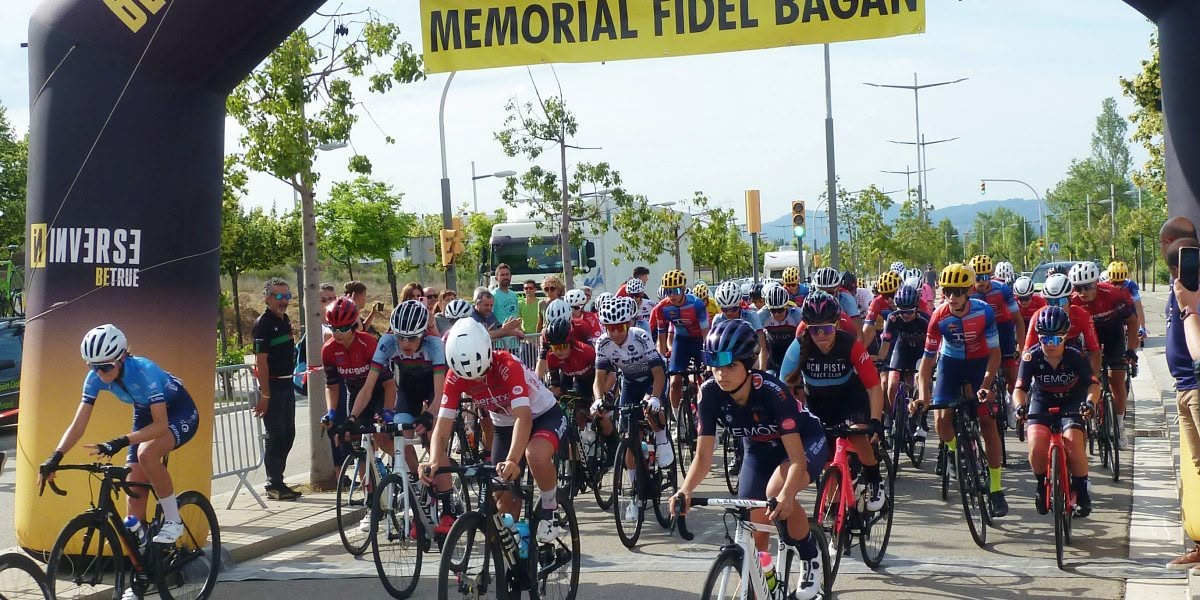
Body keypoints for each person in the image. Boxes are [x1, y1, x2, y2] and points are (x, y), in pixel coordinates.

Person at [673, 319, 827, 600]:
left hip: (803, 443)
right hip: (758, 450)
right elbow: (704, 456)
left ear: (749, 364)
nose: (721, 374)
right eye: (715, 365)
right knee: (753, 533)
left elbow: (795, 460)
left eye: (730, 366)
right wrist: (686, 490)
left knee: (775, 494)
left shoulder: (772, 391)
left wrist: (788, 496)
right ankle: (762, 585)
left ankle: (810, 555)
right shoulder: (708, 393)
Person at [39, 325, 200, 544]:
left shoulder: (145, 370)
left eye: (105, 367)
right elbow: (78, 426)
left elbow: (161, 425)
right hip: (144, 413)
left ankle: (174, 521)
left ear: (122, 357)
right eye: (93, 366)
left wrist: (120, 441)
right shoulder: (94, 379)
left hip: (179, 411)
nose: (99, 373)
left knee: (147, 454)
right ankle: (146, 555)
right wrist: (55, 457)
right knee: (132, 512)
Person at [422, 319, 568, 543]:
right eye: (470, 379)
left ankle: (550, 506)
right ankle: (518, 552)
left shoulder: (507, 364)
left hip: (542, 415)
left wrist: (512, 459)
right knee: (503, 501)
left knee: (535, 455)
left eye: (482, 374)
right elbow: (442, 428)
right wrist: (433, 461)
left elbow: (524, 418)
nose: (478, 381)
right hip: (504, 424)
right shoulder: (454, 376)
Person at [915, 263, 1008, 517]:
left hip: (980, 364)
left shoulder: (984, 312)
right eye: (947, 291)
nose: (952, 297)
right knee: (941, 421)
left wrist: (986, 386)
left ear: (968, 291)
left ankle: (996, 489)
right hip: (951, 364)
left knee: (987, 421)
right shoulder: (939, 317)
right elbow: (926, 364)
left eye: (958, 292)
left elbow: (996, 355)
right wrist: (923, 397)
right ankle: (957, 452)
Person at [780, 292, 886, 512]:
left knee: (857, 436)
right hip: (819, 405)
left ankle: (875, 479)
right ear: (806, 327)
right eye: (814, 329)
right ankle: (835, 520)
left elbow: (874, 386)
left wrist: (875, 420)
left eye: (827, 328)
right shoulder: (799, 346)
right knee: (826, 462)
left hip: (850, 400)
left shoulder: (850, 345)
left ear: (837, 325)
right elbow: (784, 389)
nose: (821, 335)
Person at [319, 298, 399, 531]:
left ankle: (409, 475)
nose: (338, 333)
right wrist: (332, 413)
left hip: (379, 391)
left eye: (343, 328)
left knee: (383, 438)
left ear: (354, 325)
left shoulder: (369, 344)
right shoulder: (329, 350)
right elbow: (332, 386)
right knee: (362, 448)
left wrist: (385, 412)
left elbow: (389, 385)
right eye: (333, 328)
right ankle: (372, 505)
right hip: (356, 393)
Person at [1013, 306, 1098, 518]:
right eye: (1044, 339)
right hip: (1042, 402)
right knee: (1036, 446)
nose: (1049, 345)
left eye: (1055, 340)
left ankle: (1081, 490)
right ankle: (1042, 485)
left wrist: (1090, 403)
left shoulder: (1076, 356)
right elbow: (1019, 389)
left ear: (1065, 337)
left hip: (1072, 402)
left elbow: (1093, 385)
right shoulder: (1031, 357)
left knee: (1073, 443)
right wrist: (1019, 407)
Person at [593, 296, 673, 519]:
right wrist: (598, 399)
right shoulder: (603, 343)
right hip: (629, 383)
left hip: (651, 379)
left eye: (619, 327)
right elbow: (599, 379)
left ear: (628, 324)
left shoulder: (641, 337)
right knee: (628, 436)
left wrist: (655, 398)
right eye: (610, 328)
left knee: (651, 410)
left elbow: (658, 374)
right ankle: (635, 494)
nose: (616, 333)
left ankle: (662, 437)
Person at [1162, 217, 1200, 569]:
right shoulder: (1180, 286)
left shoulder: (1193, 288)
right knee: (1198, 466)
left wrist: (1189, 305)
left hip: (1197, 385)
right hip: (1183, 388)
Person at [1068, 261, 1138, 448]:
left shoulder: (1114, 294)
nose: (1083, 292)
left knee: (1117, 381)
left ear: (1096, 282)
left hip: (1113, 334)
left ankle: (1119, 425)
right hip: (1089, 338)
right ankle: (1092, 412)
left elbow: (1132, 322)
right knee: (1089, 379)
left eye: (1088, 287)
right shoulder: (1071, 300)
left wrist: (1131, 350)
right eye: (1078, 288)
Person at [253, 278, 302, 501]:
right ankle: (273, 483)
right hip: (272, 385)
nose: (284, 301)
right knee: (276, 435)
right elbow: (261, 362)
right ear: (267, 298)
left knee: (289, 434)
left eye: (287, 296)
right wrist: (265, 395)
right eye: (279, 297)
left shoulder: (285, 320)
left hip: (287, 383)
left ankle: (279, 480)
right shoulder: (263, 324)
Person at [968, 255, 1026, 401]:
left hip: (1003, 327)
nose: (981, 281)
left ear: (990, 274)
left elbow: (1018, 320)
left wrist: (1021, 346)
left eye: (984, 276)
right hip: (981, 330)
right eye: (977, 277)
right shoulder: (969, 292)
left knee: (1012, 377)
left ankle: (1013, 403)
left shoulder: (1002, 289)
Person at [652, 270, 710, 416]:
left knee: (704, 380)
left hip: (699, 341)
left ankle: (707, 415)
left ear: (683, 289)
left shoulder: (696, 304)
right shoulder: (661, 308)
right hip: (681, 341)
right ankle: (678, 422)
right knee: (674, 382)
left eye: (675, 290)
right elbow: (662, 336)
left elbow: (706, 334)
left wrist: (708, 360)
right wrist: (662, 356)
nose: (671, 295)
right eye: (667, 291)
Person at [877, 285, 930, 436]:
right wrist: (881, 360)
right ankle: (892, 417)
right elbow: (886, 344)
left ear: (916, 307)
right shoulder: (893, 318)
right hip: (901, 350)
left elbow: (935, 344)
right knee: (892, 384)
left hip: (921, 353)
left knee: (921, 381)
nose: (905, 315)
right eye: (901, 311)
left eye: (909, 312)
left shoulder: (925, 320)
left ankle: (922, 418)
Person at [1024, 273, 1101, 374]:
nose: (1056, 306)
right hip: (1046, 355)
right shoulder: (1037, 317)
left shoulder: (1082, 315)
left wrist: (1092, 380)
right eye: (1051, 301)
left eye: (1061, 301)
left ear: (1070, 300)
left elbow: (1095, 351)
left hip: (1073, 351)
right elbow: (1027, 352)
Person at [712, 280, 769, 370]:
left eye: (734, 309)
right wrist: (710, 371)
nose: (729, 313)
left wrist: (762, 372)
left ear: (739, 304)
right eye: (725, 309)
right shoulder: (718, 319)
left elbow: (762, 347)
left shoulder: (752, 316)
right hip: (727, 357)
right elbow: (713, 350)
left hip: (749, 355)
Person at [757, 285, 803, 376]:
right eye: (773, 311)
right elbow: (758, 344)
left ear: (787, 306)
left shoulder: (797, 315)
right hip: (773, 352)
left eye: (780, 310)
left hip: (792, 350)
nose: (777, 314)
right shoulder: (762, 316)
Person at [1107, 260, 1148, 341]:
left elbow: (1138, 306)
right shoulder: (1104, 285)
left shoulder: (1131, 285)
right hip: (1113, 314)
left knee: (1135, 337)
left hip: (1129, 312)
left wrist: (1142, 327)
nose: (1118, 286)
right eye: (1114, 283)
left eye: (1121, 283)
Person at [491, 263, 522, 352]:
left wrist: (519, 332)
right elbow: (490, 319)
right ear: (497, 278)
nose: (505, 277)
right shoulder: (493, 295)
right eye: (502, 275)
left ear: (511, 276)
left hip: (514, 343)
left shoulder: (513, 295)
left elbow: (515, 316)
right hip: (500, 343)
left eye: (507, 274)